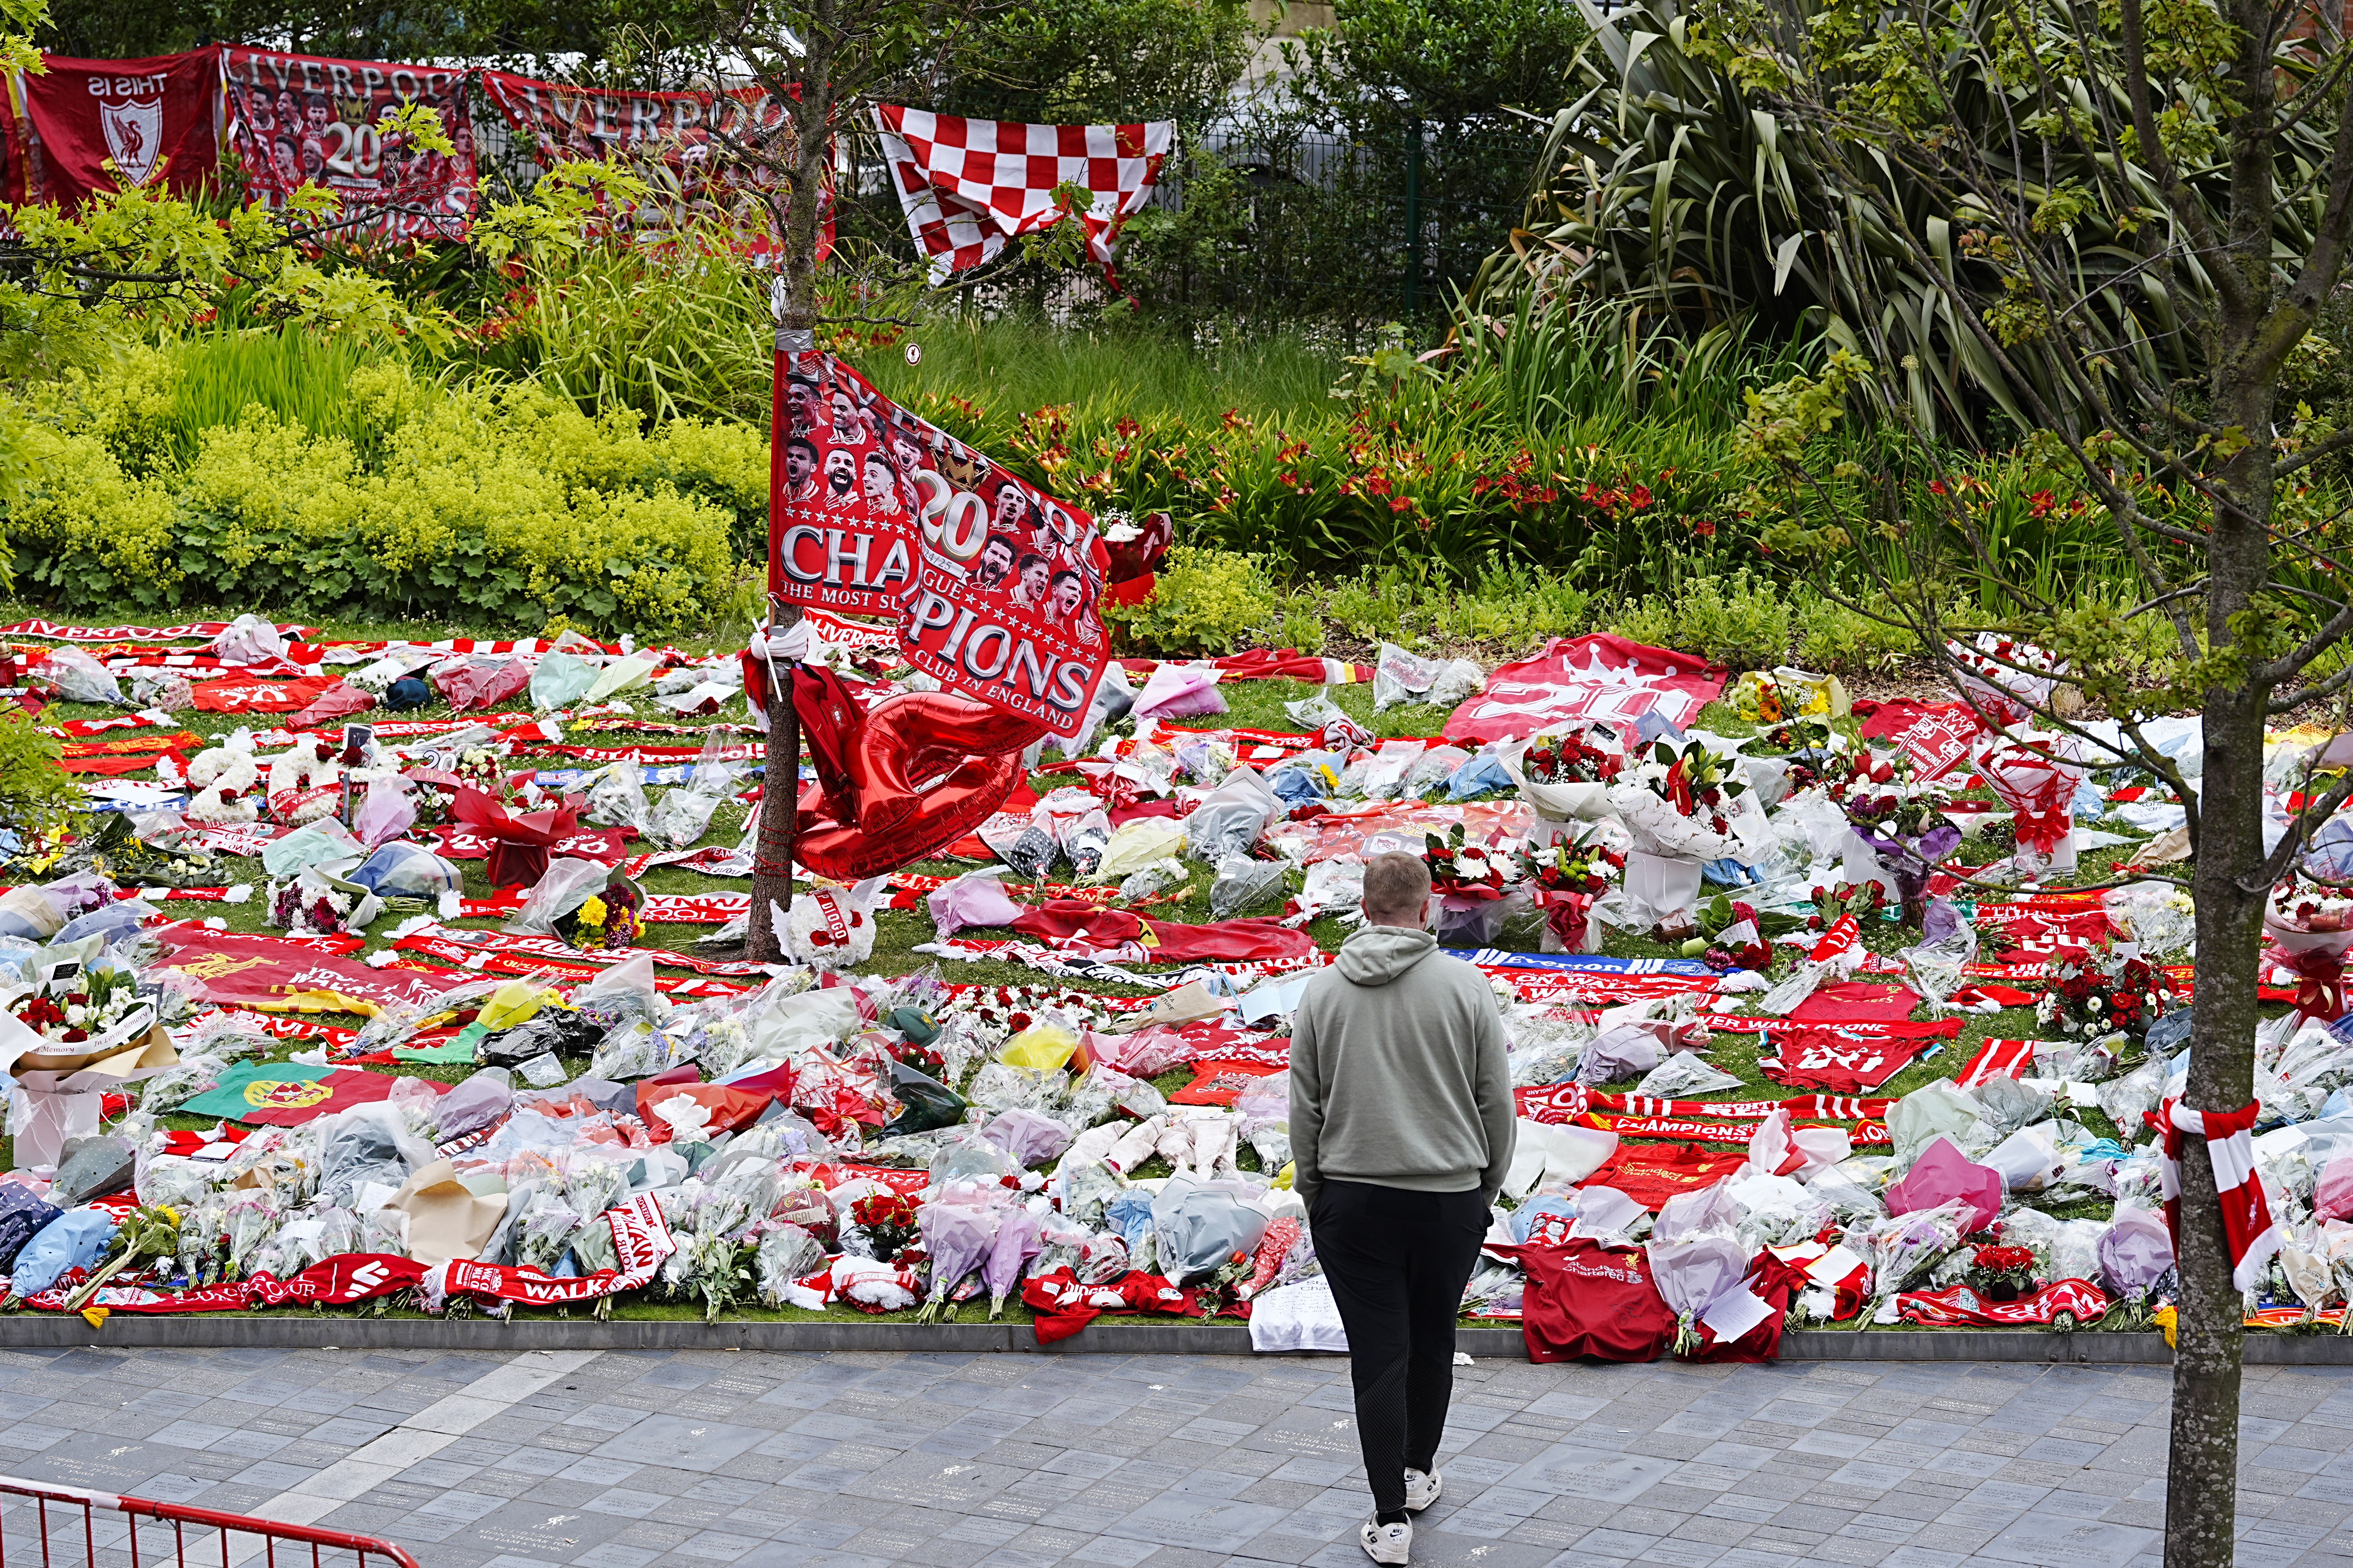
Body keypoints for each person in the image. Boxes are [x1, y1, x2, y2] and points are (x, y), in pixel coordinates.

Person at [1288, 851, 1512, 1567]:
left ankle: (1389, 1521)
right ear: (1427, 909)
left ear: (1363, 907)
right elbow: (1495, 1102)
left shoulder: (1323, 992)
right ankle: (1417, 1469)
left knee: (1378, 1355)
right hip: (1448, 1198)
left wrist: (1316, 1191)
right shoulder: (1464, 986)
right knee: (1432, 1336)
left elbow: (1305, 1107)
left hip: (1353, 1201)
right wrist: (1483, 1187)